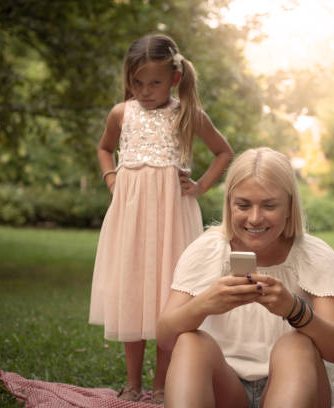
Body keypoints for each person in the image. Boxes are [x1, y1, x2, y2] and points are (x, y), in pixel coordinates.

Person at [88, 33, 233, 402]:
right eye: (137, 82)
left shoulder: (187, 115)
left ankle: (160, 386)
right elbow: (105, 149)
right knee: (133, 292)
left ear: (174, 78)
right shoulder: (122, 113)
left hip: (172, 219)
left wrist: (199, 187)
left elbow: (223, 153)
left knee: (171, 296)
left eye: (153, 82)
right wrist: (112, 178)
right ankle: (133, 384)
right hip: (131, 218)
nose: (144, 90)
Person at [157, 147, 334, 408]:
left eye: (269, 205)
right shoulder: (207, 250)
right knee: (190, 342)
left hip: (298, 386)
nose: (255, 218)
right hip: (226, 389)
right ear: (229, 203)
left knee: (296, 345)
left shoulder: (315, 256)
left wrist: (294, 310)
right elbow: (165, 337)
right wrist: (204, 303)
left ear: (289, 206)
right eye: (243, 205)